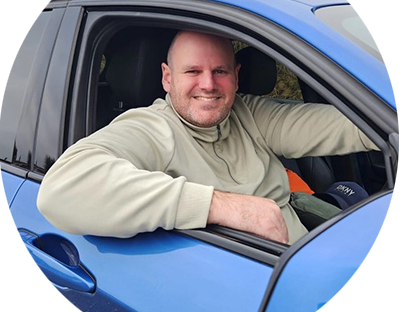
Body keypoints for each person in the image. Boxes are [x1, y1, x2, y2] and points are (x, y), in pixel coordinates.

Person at [37, 30, 378, 244]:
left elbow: (350, 125)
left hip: (305, 263)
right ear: (167, 78)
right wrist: (223, 207)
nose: (208, 84)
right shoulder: (151, 128)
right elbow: (60, 190)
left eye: (220, 71)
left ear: (236, 76)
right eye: (192, 71)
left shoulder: (249, 114)